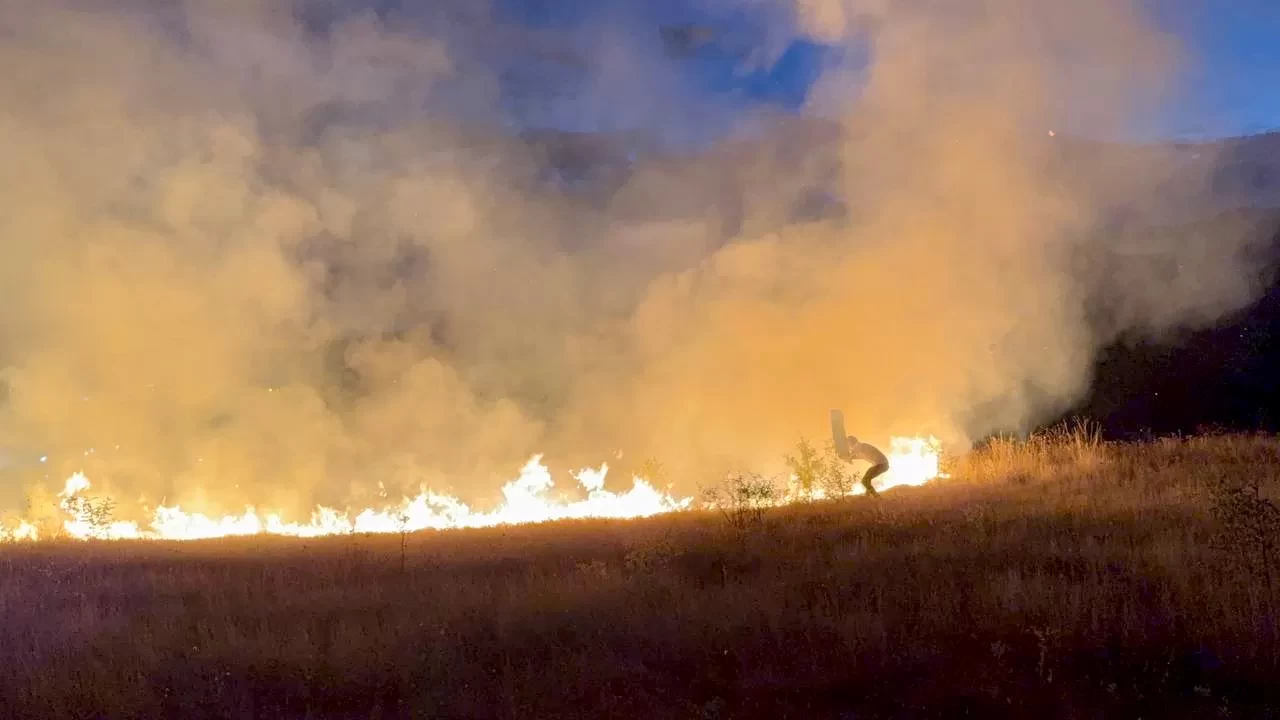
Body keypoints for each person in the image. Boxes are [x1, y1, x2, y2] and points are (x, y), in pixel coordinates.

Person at [830, 409, 890, 497]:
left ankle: (876, 496)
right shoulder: (861, 447)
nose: (848, 446)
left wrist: (846, 457)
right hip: (881, 465)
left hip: (881, 465)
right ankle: (868, 496)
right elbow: (860, 457)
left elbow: (852, 454)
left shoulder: (858, 446)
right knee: (866, 479)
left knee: (865, 480)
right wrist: (850, 458)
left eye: (848, 444)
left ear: (851, 443)